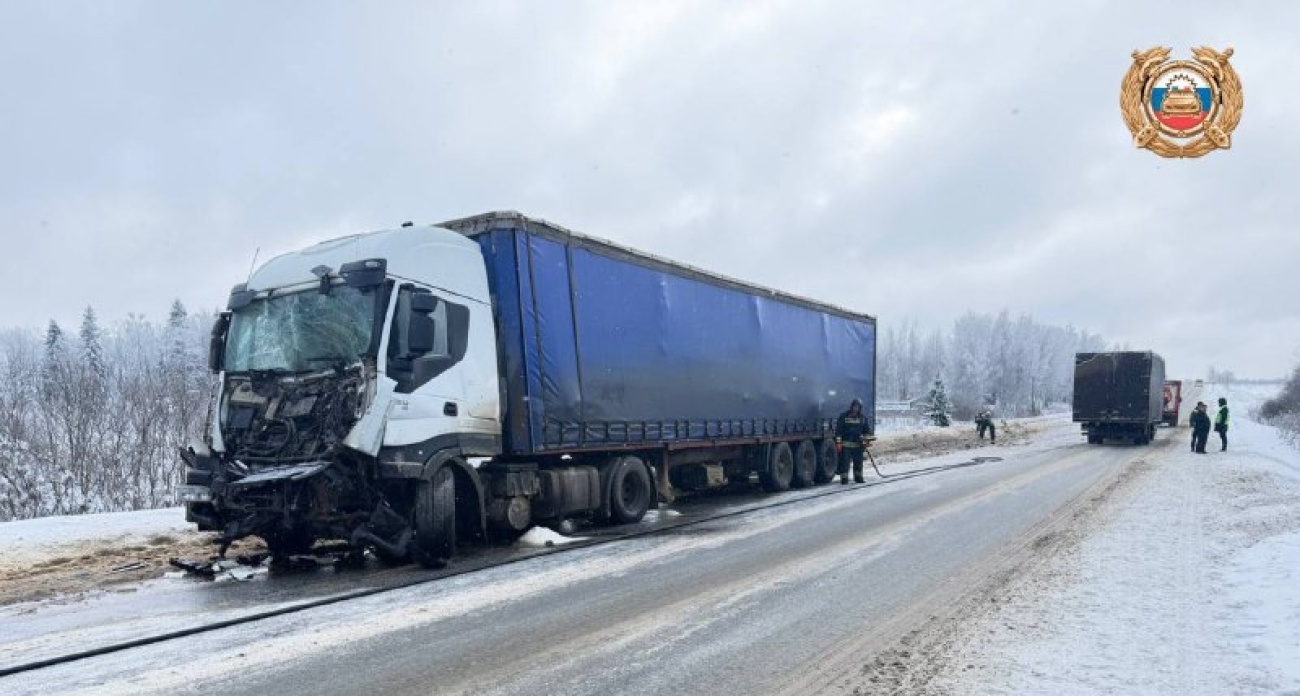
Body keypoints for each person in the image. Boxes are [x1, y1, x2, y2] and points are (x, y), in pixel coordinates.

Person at [835, 398, 876, 484]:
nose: (855, 409)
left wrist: (866, 441)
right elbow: (838, 431)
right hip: (846, 445)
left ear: (860, 408)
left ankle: (858, 478)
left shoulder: (863, 419)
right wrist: (838, 443)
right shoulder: (843, 417)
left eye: (857, 407)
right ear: (851, 407)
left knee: (858, 463)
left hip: (858, 446)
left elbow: (867, 432)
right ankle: (844, 479)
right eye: (854, 407)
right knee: (845, 463)